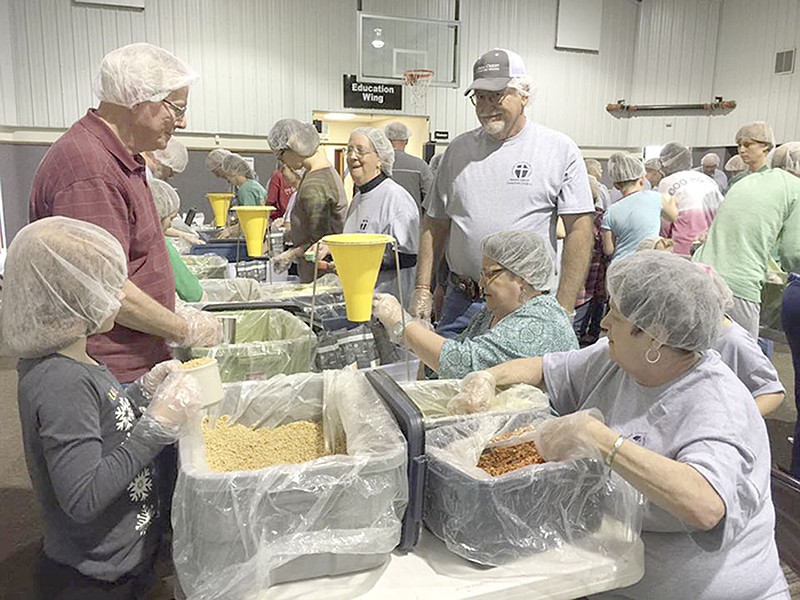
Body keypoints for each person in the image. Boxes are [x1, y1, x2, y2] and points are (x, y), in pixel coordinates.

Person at [449, 252, 789, 600]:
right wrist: (488, 377)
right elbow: (543, 368)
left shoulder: (717, 403)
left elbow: (706, 505)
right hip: (610, 574)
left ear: (654, 335)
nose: (605, 322)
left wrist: (599, 439)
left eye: (617, 315)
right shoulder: (617, 360)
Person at [2, 217, 201, 599]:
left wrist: (141, 395)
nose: (119, 297)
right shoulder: (61, 380)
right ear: (71, 301)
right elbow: (82, 497)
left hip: (124, 552)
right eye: (108, 286)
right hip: (95, 577)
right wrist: (154, 429)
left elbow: (101, 422)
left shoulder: (77, 358)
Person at [28, 42, 221, 383]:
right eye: (176, 108)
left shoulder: (119, 158)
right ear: (138, 101)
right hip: (108, 372)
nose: (183, 122)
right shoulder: (90, 170)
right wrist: (181, 326)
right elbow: (103, 289)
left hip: (130, 363)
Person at [412, 48, 594, 339]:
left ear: (524, 95)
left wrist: (565, 306)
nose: (486, 106)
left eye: (496, 95)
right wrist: (423, 288)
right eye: (480, 97)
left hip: (526, 306)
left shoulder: (557, 149)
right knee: (444, 381)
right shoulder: (457, 152)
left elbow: (581, 230)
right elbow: (435, 224)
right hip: (462, 303)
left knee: (515, 384)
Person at [373, 230, 577, 379]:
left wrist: (403, 325)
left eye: (490, 274)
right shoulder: (493, 313)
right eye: (482, 274)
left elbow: (463, 364)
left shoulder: (539, 323)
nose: (481, 283)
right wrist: (421, 336)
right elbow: (457, 350)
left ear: (522, 277)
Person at [693, 142, 800, 337]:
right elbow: (793, 254)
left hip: (701, 273)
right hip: (740, 283)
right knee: (744, 358)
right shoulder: (795, 188)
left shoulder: (744, 182)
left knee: (699, 349)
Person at [341, 127, 419, 302]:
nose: (352, 157)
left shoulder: (396, 199)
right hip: (358, 300)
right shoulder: (357, 200)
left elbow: (406, 257)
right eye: (349, 150)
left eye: (360, 151)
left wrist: (348, 255)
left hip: (388, 305)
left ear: (380, 159)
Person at [267, 119, 348, 282]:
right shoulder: (322, 173)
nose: (282, 162)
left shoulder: (315, 185)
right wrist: (288, 235)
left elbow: (320, 241)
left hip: (321, 276)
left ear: (294, 148)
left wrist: (290, 254)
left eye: (281, 156)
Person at [601, 153, 677, 261]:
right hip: (646, 261)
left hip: (620, 265)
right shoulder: (657, 198)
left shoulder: (610, 212)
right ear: (642, 180)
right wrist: (671, 199)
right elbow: (673, 217)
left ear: (616, 186)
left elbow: (608, 250)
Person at [657, 142, 723, 256]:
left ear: (666, 163)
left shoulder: (667, 182)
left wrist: (660, 244)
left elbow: (665, 220)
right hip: (710, 246)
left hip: (683, 246)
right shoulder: (708, 180)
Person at [150, 179, 204, 303]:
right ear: (160, 215)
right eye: (171, 219)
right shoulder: (159, 245)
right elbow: (194, 295)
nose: (170, 226)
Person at [573, 175, 610, 347]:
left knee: (576, 325)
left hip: (583, 278)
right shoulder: (601, 217)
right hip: (595, 275)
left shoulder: (574, 218)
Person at [383, 121, 434, 210]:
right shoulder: (420, 165)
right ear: (406, 140)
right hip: (412, 221)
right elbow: (431, 197)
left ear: (386, 140)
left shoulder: (377, 165)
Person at [728, 121, 774, 189]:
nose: (742, 150)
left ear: (765, 146)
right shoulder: (737, 180)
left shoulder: (772, 180)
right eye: (739, 145)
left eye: (747, 145)